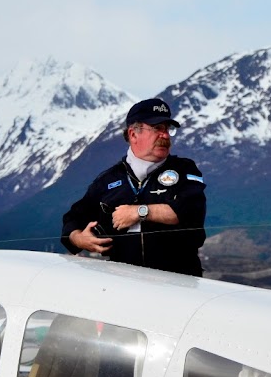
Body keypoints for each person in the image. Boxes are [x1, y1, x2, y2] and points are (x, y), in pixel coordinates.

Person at [62, 98, 206, 276]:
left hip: (180, 282)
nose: (165, 135)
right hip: (124, 285)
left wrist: (139, 212)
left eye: (168, 129)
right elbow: (72, 218)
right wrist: (79, 239)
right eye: (157, 128)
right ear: (133, 134)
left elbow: (191, 211)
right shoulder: (108, 180)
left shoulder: (184, 170)